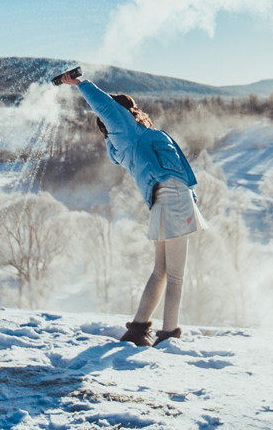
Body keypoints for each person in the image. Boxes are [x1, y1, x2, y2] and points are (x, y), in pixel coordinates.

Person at [60, 70, 208, 347]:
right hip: (174, 200)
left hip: (165, 202)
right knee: (175, 275)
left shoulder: (124, 142)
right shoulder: (130, 131)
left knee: (161, 271)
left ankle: (138, 330)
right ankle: (168, 335)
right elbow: (104, 106)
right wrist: (80, 83)